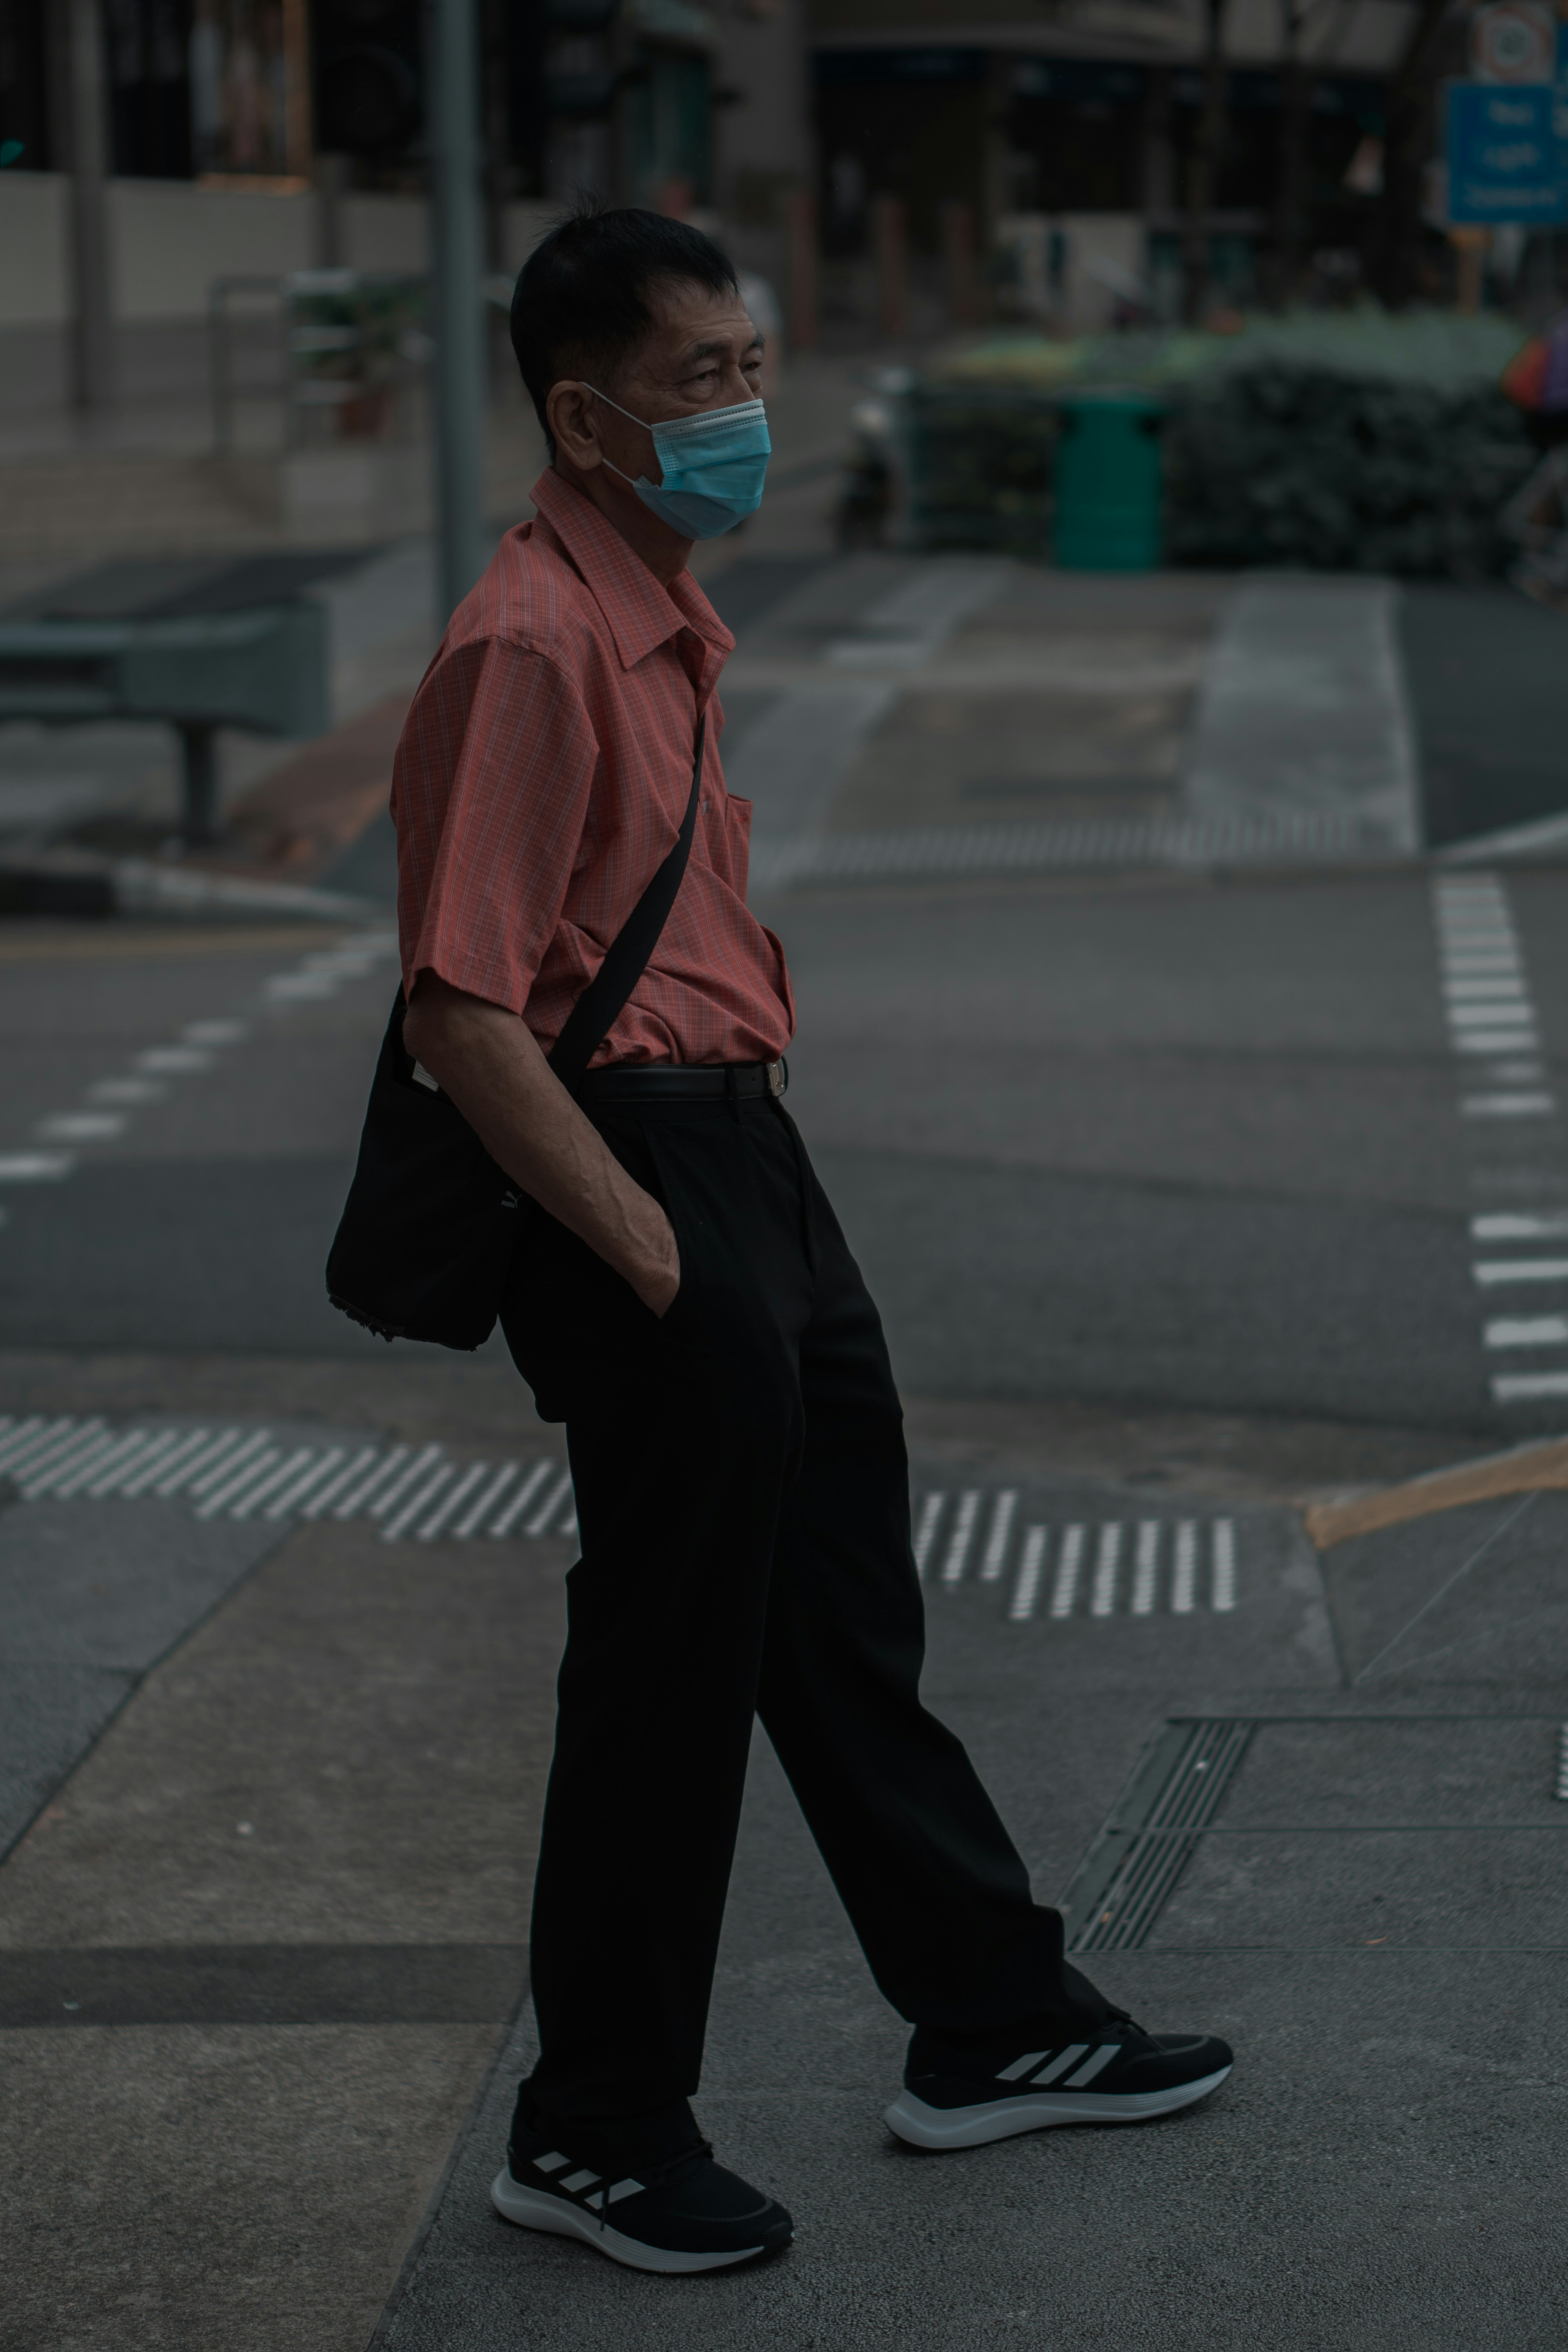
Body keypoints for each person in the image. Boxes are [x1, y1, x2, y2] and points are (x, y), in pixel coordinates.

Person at [394, 202, 1233, 2278]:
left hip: (745, 1161)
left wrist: (740, 1203)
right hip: (642, 1188)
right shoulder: (533, 637)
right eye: (706, 383)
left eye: (757, 368)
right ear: (588, 418)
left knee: (843, 1618)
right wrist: (658, 1261)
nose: (747, 413)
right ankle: (591, 2127)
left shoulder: (660, 610)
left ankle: (991, 2023)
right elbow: (461, 1009)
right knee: (666, 1674)